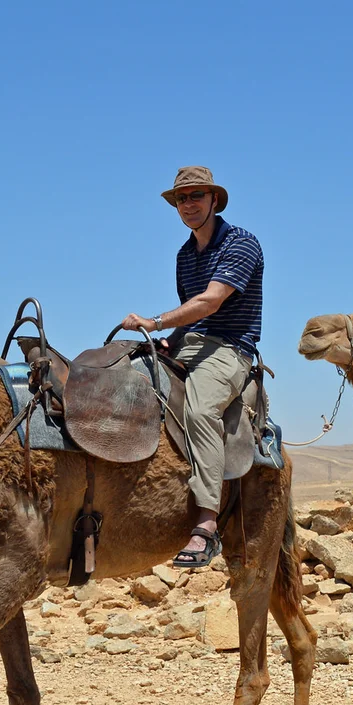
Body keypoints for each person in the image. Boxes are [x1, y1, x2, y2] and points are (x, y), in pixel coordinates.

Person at [121, 166, 264, 568]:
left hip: (231, 348)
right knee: (128, 374)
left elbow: (210, 302)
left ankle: (206, 522)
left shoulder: (241, 243)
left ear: (214, 200)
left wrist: (155, 322)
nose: (189, 204)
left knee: (200, 409)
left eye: (196, 195)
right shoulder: (185, 255)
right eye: (182, 199)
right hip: (191, 341)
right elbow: (193, 317)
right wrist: (167, 339)